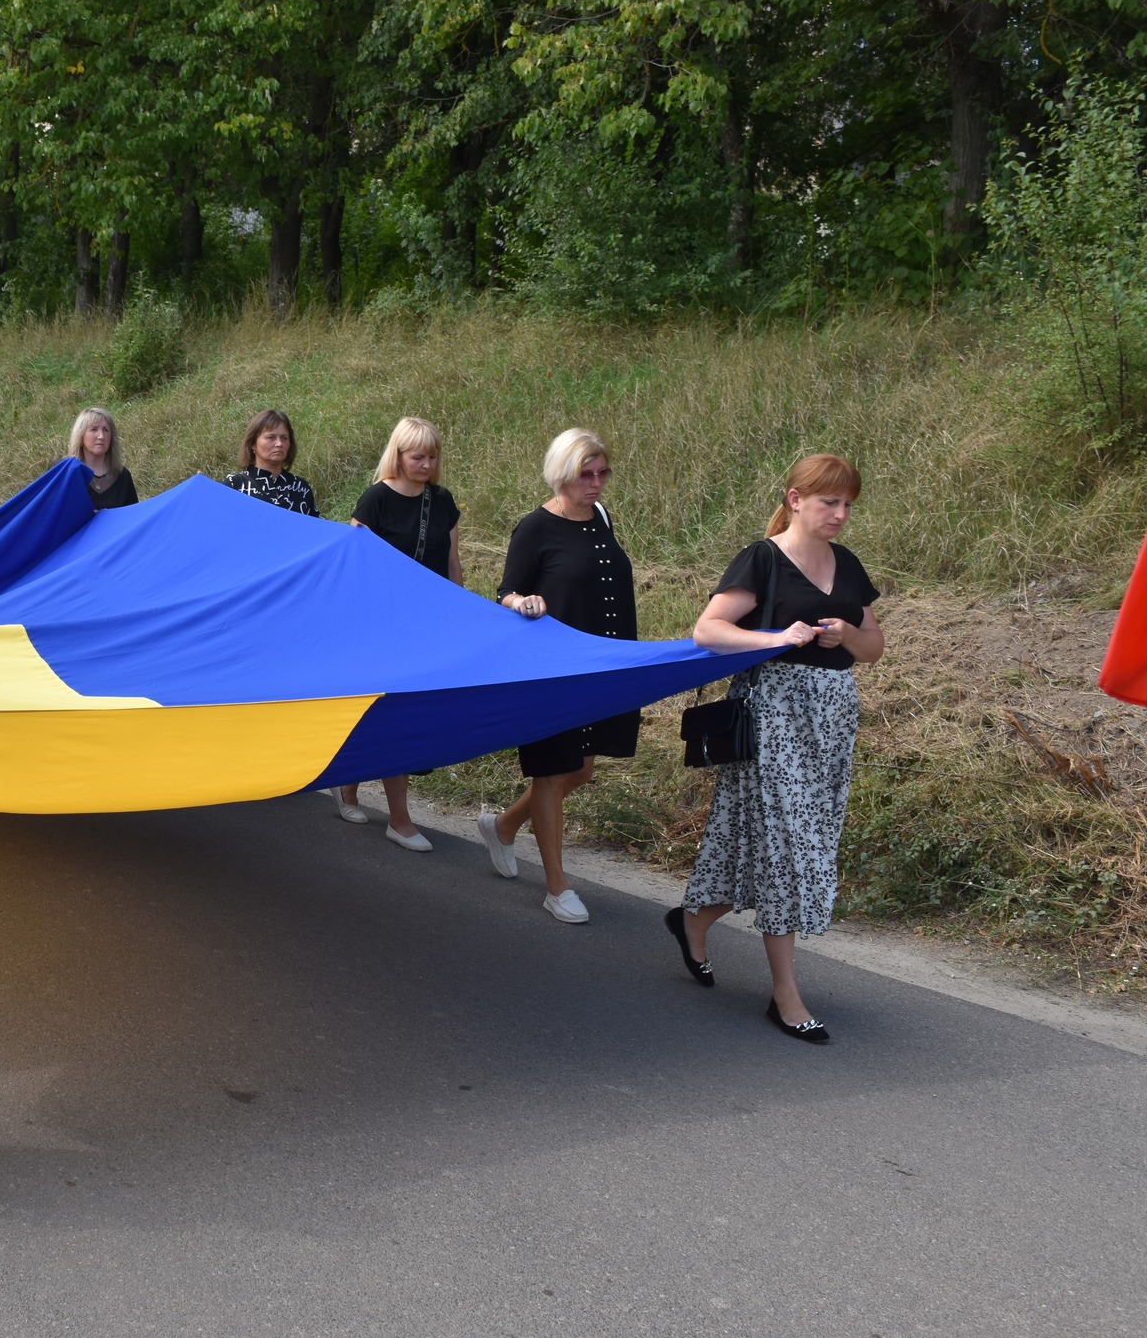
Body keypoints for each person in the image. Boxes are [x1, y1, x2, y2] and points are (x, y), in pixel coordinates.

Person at [670, 454, 885, 1045]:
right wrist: (775, 637)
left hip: (833, 718)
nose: (840, 514)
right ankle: (785, 996)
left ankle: (691, 919)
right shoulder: (762, 558)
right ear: (795, 499)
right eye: (828, 503)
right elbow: (708, 630)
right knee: (791, 848)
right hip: (775, 714)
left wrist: (849, 635)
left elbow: (874, 648)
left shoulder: (847, 565)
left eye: (847, 505)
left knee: (762, 839)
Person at [480, 429, 638, 924]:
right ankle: (556, 886)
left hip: (601, 665)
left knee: (581, 770)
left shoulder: (603, 519)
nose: (595, 483)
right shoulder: (535, 527)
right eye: (584, 474)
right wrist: (522, 602)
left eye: (602, 473)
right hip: (553, 669)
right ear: (561, 474)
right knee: (551, 772)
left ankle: (503, 826)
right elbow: (507, 589)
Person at [337, 417, 461, 851]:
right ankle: (395, 816)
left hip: (426, 625)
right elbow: (352, 566)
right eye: (417, 456)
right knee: (384, 709)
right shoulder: (375, 499)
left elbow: (452, 563)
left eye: (432, 456)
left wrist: (458, 612)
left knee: (407, 712)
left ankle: (357, 787)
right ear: (399, 455)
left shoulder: (442, 501)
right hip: (381, 625)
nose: (426, 464)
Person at [223, 410, 317, 515]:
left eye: (284, 438)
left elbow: (313, 529)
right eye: (271, 437)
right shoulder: (234, 485)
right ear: (253, 443)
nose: (279, 443)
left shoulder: (301, 488)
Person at [70, 407, 136, 509]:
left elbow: (134, 517)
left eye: (106, 430)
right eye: (94, 429)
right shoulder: (69, 476)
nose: (101, 436)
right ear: (81, 437)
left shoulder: (123, 476)